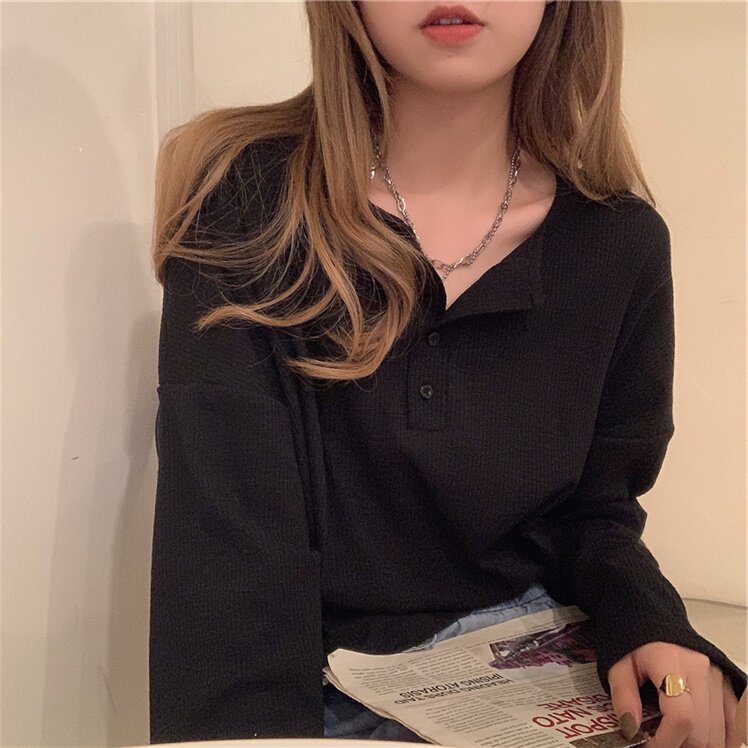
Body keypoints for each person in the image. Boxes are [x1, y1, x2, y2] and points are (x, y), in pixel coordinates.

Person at [148, 1, 747, 746]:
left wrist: (652, 623)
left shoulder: (619, 241)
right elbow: (226, 551)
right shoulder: (247, 200)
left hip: (544, 665)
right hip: (314, 685)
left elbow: (596, 511)